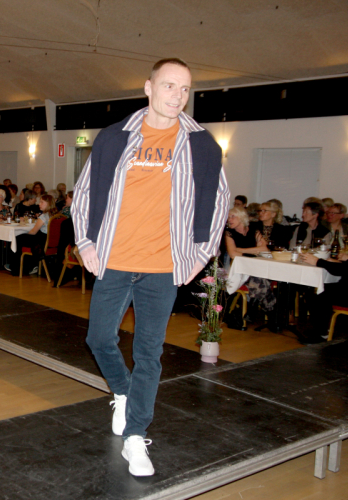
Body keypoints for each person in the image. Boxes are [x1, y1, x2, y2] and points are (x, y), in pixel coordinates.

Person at [71, 58, 229, 477]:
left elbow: (219, 202)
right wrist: (86, 242)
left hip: (163, 266)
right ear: (148, 87)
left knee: (148, 353)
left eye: (185, 88)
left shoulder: (201, 144)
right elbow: (84, 192)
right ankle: (123, 392)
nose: (178, 96)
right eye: (169, 85)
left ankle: (136, 436)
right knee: (99, 338)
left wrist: (200, 255)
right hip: (115, 259)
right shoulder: (114, 137)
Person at [298, 215, 348, 344]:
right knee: (324, 289)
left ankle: (321, 333)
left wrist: (318, 261)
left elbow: (342, 270)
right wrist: (346, 262)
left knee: (317, 292)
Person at [5, 194, 57, 276]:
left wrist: (23, 233)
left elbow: (33, 232)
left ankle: (16, 268)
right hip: (51, 242)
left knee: (18, 238)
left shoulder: (43, 216)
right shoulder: (56, 215)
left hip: (41, 242)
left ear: (48, 204)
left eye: (42, 202)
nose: (39, 204)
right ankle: (28, 266)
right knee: (21, 238)